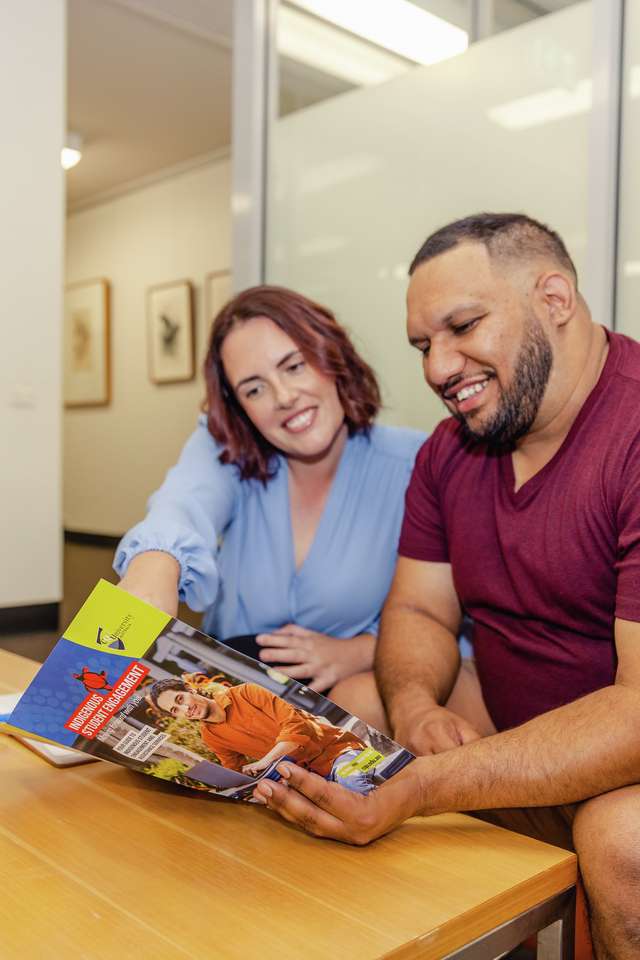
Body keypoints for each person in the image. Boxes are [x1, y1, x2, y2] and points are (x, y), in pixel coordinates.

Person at [252, 214, 640, 960]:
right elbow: (420, 608)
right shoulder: (448, 452)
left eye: (462, 326)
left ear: (554, 297)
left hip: (621, 767)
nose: (437, 368)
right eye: (424, 344)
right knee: (357, 712)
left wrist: (429, 783)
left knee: (622, 836)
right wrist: (416, 707)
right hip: (506, 723)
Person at [115, 285, 424, 708]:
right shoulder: (229, 449)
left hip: (357, 706)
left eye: (294, 366)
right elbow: (184, 501)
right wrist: (154, 563)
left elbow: (453, 622)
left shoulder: (416, 463)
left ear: (333, 358)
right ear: (239, 408)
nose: (283, 397)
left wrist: (361, 652)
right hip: (228, 697)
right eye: (254, 389)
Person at [148, 674, 378, 794]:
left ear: (189, 689)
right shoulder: (210, 736)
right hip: (308, 778)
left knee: (352, 782)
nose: (185, 709)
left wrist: (266, 761)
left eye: (180, 699)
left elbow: (296, 726)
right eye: (175, 710)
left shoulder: (246, 693)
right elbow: (234, 769)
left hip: (339, 752)